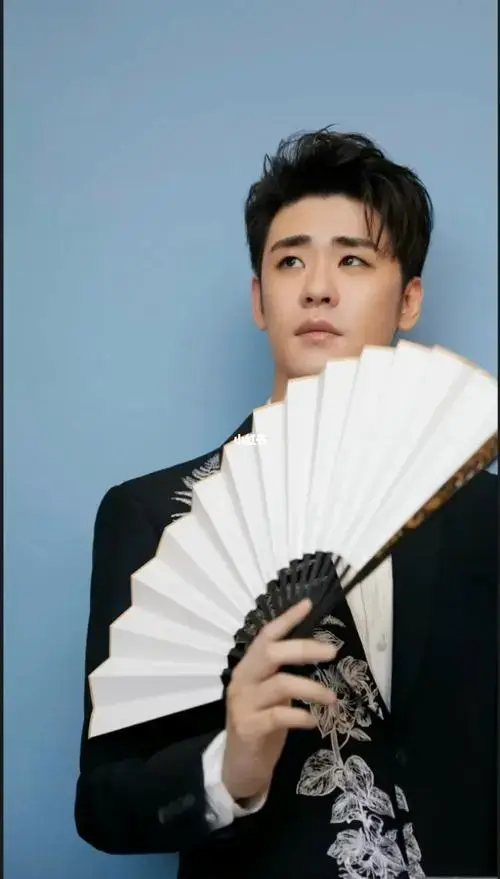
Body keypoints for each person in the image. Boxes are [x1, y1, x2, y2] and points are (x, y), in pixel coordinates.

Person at [74, 128, 497, 878]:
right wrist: (229, 765)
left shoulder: (484, 518)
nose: (318, 288)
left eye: (353, 260)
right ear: (259, 299)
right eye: (290, 260)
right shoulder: (154, 516)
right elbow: (103, 804)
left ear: (410, 300)